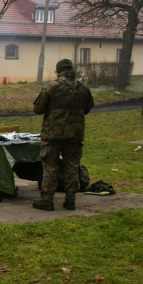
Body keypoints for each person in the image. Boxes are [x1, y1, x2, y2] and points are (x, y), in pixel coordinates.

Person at [33, 58, 93, 211]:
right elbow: (87, 108)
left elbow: (38, 108)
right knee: (72, 167)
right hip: (75, 134)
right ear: (71, 70)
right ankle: (70, 201)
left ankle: (47, 200)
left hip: (53, 135)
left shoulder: (52, 87)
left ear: (58, 71)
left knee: (50, 167)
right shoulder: (83, 88)